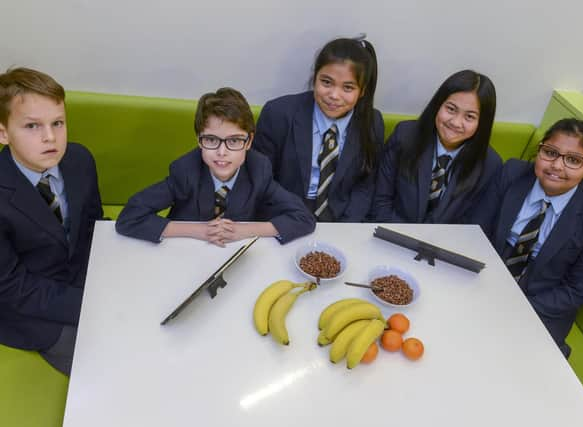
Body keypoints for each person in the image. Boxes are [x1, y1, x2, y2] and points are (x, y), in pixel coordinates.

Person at [474, 118, 583, 357]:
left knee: (508, 360)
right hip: (487, 274)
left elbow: (580, 288)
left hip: (543, 304)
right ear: (540, 149)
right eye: (550, 153)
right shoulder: (513, 172)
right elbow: (476, 229)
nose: (557, 165)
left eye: (574, 160)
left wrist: (514, 305)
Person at [0, 67, 103, 376]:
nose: (50, 137)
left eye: (58, 123)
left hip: (83, 281)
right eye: (32, 126)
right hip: (31, 311)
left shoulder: (79, 159)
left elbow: (92, 224)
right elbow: (13, 288)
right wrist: (93, 303)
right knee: (106, 367)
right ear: (3, 132)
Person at [116, 87, 315, 245]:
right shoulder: (185, 170)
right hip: (186, 251)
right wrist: (200, 230)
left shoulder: (259, 170)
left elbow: (303, 218)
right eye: (211, 139)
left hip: (235, 255)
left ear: (249, 141)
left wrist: (244, 230)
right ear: (198, 139)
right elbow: (129, 218)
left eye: (234, 141)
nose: (222, 152)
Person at [253, 36, 384, 222]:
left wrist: (347, 225)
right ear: (315, 77)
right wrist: (294, 220)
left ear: (362, 91)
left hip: (341, 217)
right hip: (284, 212)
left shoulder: (372, 122)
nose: (334, 95)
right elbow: (262, 178)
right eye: (326, 82)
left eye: (348, 88)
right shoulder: (278, 114)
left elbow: (366, 184)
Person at [372, 69, 502, 223]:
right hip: (389, 235)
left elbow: (472, 224)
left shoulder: (490, 164)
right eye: (451, 109)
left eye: (469, 116)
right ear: (438, 105)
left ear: (482, 123)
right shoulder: (405, 135)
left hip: (444, 245)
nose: (455, 122)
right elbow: (380, 201)